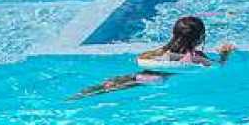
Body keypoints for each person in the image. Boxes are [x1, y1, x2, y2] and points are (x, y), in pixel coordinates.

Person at [70, 17, 234, 100]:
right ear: (200, 38)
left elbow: (141, 57)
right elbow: (216, 66)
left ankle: (79, 95)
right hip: (156, 80)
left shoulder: (163, 50)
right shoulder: (196, 56)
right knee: (119, 88)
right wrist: (225, 54)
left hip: (142, 74)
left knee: (110, 84)